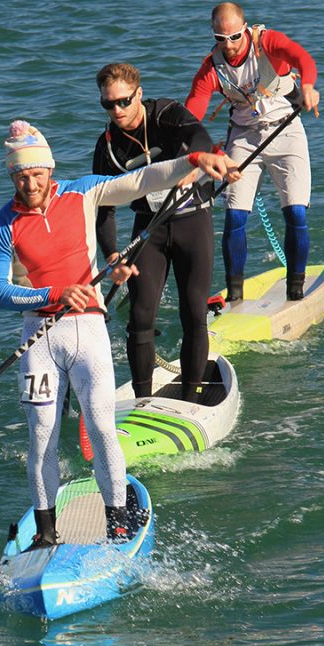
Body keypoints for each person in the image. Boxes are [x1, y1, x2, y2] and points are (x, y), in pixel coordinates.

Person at [0, 120, 232, 548]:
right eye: (21, 176)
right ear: (11, 176)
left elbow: (140, 179)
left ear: (49, 170)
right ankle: (45, 533)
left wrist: (194, 160)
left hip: (88, 332)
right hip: (39, 335)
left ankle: (117, 518)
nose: (30, 182)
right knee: (41, 434)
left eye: (37, 174)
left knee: (100, 426)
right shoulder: (1, 226)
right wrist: (56, 292)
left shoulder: (83, 192)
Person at [92, 63, 240, 402]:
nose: (117, 110)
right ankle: (142, 399)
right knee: (140, 318)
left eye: (123, 102)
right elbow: (103, 207)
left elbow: (200, 136)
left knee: (193, 312)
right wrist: (113, 253)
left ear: (139, 95)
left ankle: (191, 397)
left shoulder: (167, 114)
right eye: (108, 104)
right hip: (148, 230)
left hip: (192, 220)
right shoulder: (108, 147)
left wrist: (197, 159)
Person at [185, 1, 321, 301]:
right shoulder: (211, 68)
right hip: (245, 138)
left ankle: (295, 291)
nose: (229, 45)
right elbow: (191, 115)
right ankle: (235, 296)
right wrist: (194, 152)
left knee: (296, 212)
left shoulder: (267, 42)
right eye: (220, 39)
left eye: (234, 37)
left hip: (285, 130)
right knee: (234, 217)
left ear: (244, 29)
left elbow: (303, 58)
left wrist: (309, 85)